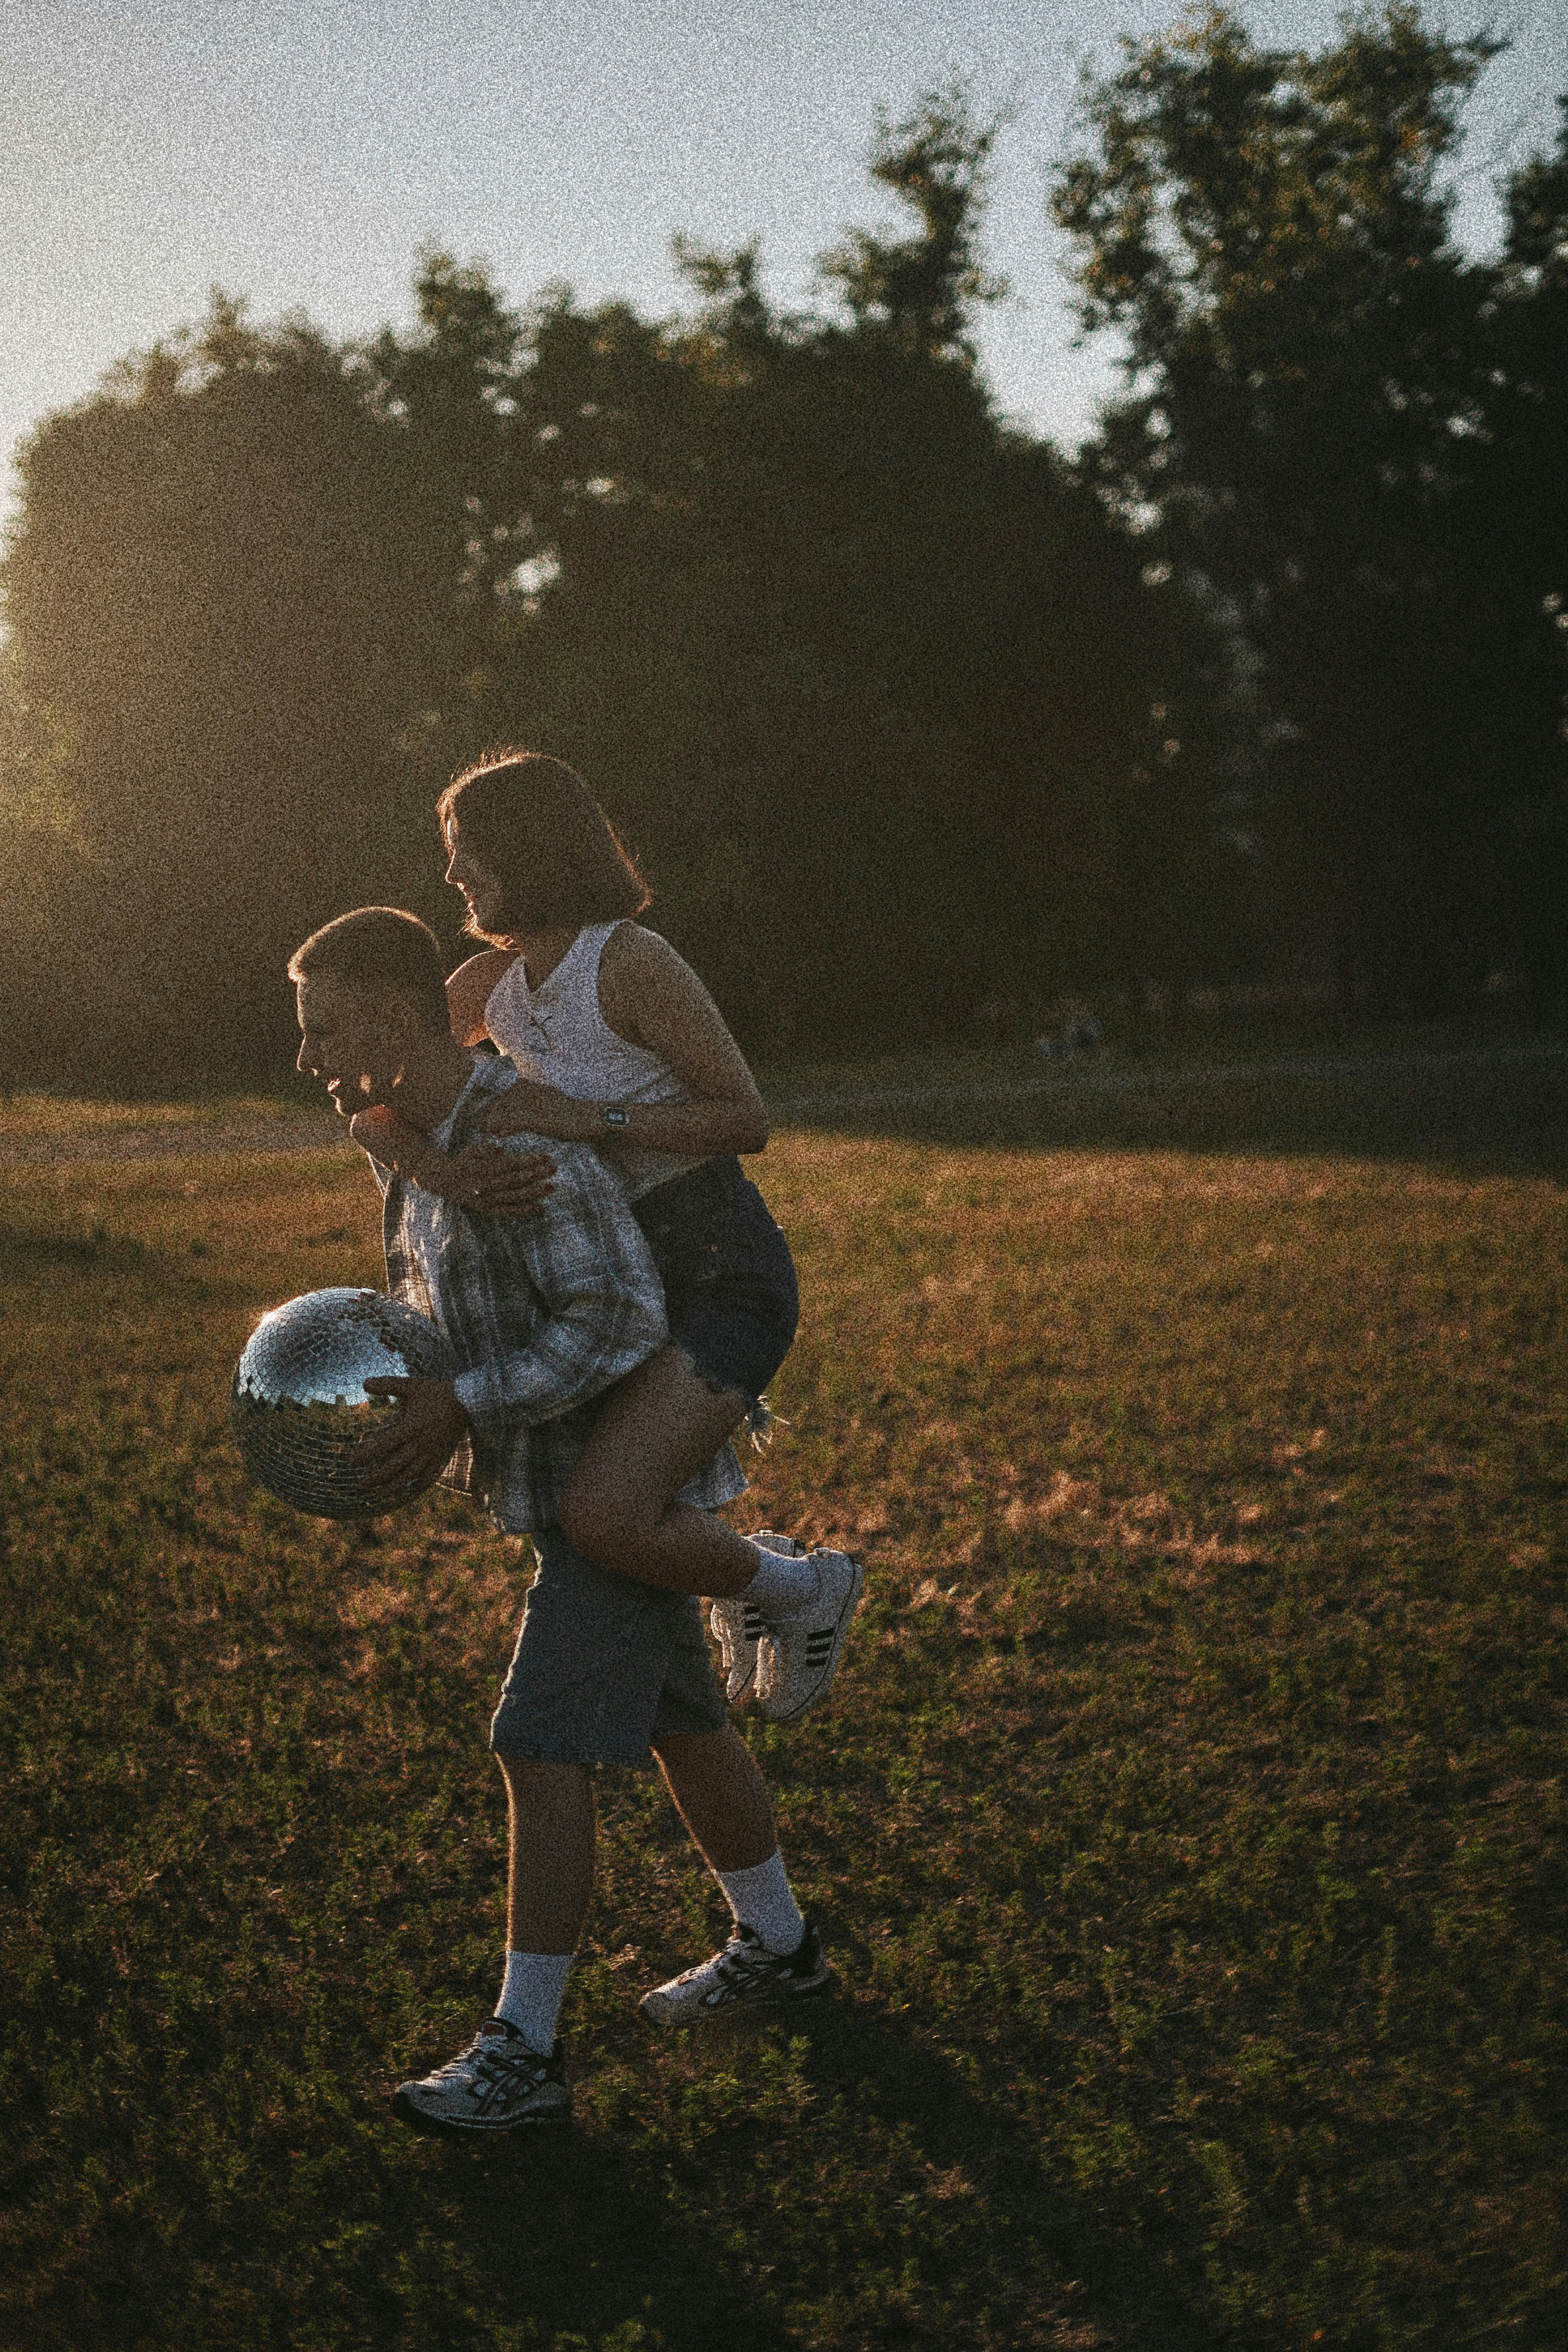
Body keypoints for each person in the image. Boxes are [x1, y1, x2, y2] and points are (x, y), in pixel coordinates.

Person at [290, 906, 838, 2136]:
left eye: (323, 1027)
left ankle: (523, 2051)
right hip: (562, 1502)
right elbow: (385, 1148)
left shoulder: (529, 1141)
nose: (308, 1058)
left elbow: (616, 1325)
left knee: (538, 1746)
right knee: (685, 1728)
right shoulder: (429, 1136)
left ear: (388, 1013)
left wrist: (462, 1408)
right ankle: (783, 1947)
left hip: (607, 1494)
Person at [349, 747, 860, 1722]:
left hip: (720, 1273)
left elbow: (743, 1118)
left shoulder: (628, 962)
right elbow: (368, 1095)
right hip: (612, 1285)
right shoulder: (489, 984)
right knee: (606, 1525)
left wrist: (595, 1120)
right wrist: (444, 1170)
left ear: (529, 849)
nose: (452, 874)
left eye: (466, 850)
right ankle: (760, 1592)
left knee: (603, 1515)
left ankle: (804, 1588)